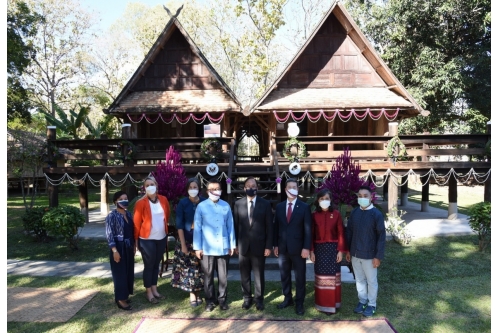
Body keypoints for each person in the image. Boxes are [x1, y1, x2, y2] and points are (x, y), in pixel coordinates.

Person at [193, 178, 236, 312]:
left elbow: (230, 226)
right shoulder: (201, 206)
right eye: (212, 189)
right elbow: (197, 228)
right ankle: (210, 301)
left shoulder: (226, 206)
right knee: (208, 276)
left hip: (223, 247)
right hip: (207, 247)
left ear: (221, 190)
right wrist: (197, 247)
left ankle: (222, 300)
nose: (215, 191)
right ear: (207, 191)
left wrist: (232, 244)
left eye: (217, 189)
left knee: (223, 276)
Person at [233, 177, 273, 311]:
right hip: (243, 246)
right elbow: (235, 226)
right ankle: (247, 299)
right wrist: (235, 244)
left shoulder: (265, 204)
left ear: (257, 187)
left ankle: (259, 299)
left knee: (258, 275)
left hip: (260, 246)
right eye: (248, 185)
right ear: (244, 188)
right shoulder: (238, 204)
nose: (251, 187)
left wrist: (268, 246)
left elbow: (269, 227)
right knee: (244, 275)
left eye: (253, 185)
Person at [345, 185, 386, 317]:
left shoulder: (376, 214)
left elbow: (381, 236)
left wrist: (378, 256)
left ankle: (371, 304)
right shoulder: (355, 212)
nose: (362, 198)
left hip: (370, 255)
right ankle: (362, 301)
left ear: (371, 197)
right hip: (355, 254)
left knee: (371, 281)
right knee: (359, 280)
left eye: (365, 196)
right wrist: (348, 250)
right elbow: (349, 232)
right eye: (360, 196)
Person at [273, 178, 312, 316]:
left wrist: (306, 247)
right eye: (289, 187)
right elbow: (276, 227)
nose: (292, 189)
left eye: (294, 186)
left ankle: (299, 302)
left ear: (297, 189)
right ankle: (287, 298)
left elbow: (308, 229)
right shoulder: (279, 207)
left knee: (300, 277)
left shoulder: (304, 207)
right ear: (285, 189)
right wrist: (275, 245)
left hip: (299, 249)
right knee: (285, 275)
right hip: (283, 249)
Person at [133, 176, 170, 304]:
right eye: (147, 185)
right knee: (149, 266)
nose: (150, 187)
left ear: (156, 185)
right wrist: (136, 241)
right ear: (144, 188)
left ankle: (154, 289)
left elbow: (167, 215)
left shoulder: (164, 200)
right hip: (146, 239)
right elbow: (136, 224)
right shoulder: (140, 203)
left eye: (152, 184)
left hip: (161, 238)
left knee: (156, 265)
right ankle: (148, 292)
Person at [310, 189, 347, 314]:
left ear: (330, 200)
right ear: (318, 200)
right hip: (319, 250)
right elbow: (311, 234)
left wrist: (340, 251)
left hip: (333, 250)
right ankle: (322, 304)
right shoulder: (314, 215)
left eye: (327, 199)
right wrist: (312, 251)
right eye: (322, 199)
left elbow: (341, 233)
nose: (324, 201)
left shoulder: (336, 214)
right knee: (321, 277)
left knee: (333, 277)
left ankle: (334, 304)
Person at [171, 178, 206, 307]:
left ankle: (198, 292)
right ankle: (192, 294)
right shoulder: (182, 203)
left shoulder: (204, 202)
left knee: (200, 268)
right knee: (189, 268)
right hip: (187, 241)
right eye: (190, 187)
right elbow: (179, 225)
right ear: (187, 189)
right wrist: (183, 245)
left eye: (195, 187)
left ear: (199, 188)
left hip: (202, 242)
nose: (193, 190)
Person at [105, 191, 135, 311]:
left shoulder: (129, 214)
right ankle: (120, 299)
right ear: (115, 202)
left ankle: (125, 295)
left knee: (128, 272)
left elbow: (131, 231)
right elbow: (109, 234)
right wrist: (114, 250)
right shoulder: (111, 216)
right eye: (121, 199)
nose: (124, 200)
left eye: (126, 198)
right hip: (118, 247)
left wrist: (133, 246)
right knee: (119, 274)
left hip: (128, 246)